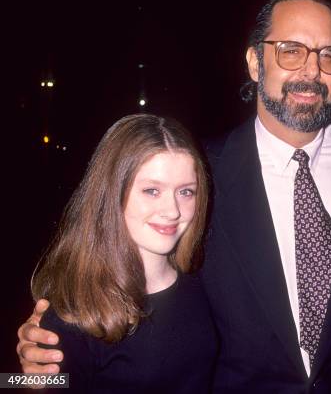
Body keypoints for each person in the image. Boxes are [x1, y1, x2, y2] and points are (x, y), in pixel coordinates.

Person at [17, 0, 331, 393]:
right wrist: (48, 342)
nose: (311, 70)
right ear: (254, 62)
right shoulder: (195, 178)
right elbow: (114, 266)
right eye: (290, 51)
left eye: (326, 54)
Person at [30, 114, 217, 392]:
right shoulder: (75, 312)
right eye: (152, 190)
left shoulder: (203, 279)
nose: (172, 210)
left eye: (186, 192)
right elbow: (17, 382)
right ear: (112, 193)